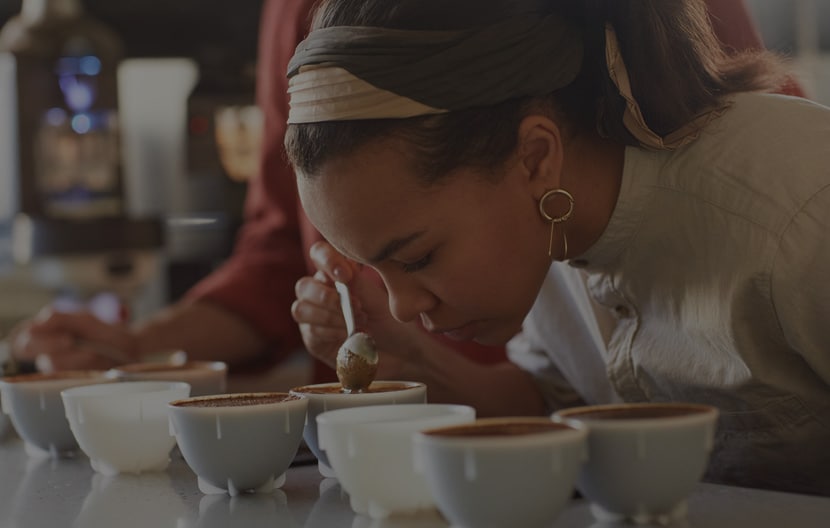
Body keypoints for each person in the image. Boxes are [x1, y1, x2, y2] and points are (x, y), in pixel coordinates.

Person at [286, 0, 829, 496]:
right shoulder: (546, 223)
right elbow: (549, 401)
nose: (404, 305)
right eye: (375, 269)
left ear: (535, 157)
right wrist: (411, 356)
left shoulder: (801, 215)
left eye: (417, 258)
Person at [6, 0, 505, 389]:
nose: (400, 306)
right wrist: (139, 345)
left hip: (531, 414)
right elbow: (279, 254)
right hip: (364, 430)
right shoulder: (291, 10)